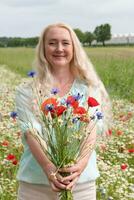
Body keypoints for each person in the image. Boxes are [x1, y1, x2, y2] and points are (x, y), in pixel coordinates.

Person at [16, 22, 111, 200]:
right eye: (52, 43)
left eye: (65, 43)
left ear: (74, 48)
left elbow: (91, 128)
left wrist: (80, 166)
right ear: (43, 48)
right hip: (35, 185)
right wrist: (48, 168)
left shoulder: (89, 88)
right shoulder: (26, 91)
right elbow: (30, 132)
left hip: (80, 184)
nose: (59, 48)